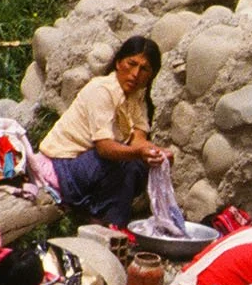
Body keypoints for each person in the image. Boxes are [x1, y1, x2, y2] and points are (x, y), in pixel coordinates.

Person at [37, 35, 169, 227]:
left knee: (139, 165)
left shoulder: (137, 96)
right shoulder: (102, 90)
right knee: (125, 162)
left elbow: (137, 140)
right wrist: (140, 153)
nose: (135, 74)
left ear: (151, 75)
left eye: (144, 69)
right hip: (63, 166)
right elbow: (105, 148)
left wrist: (158, 153)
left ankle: (107, 223)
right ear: (118, 63)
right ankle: (109, 223)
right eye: (131, 64)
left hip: (87, 166)